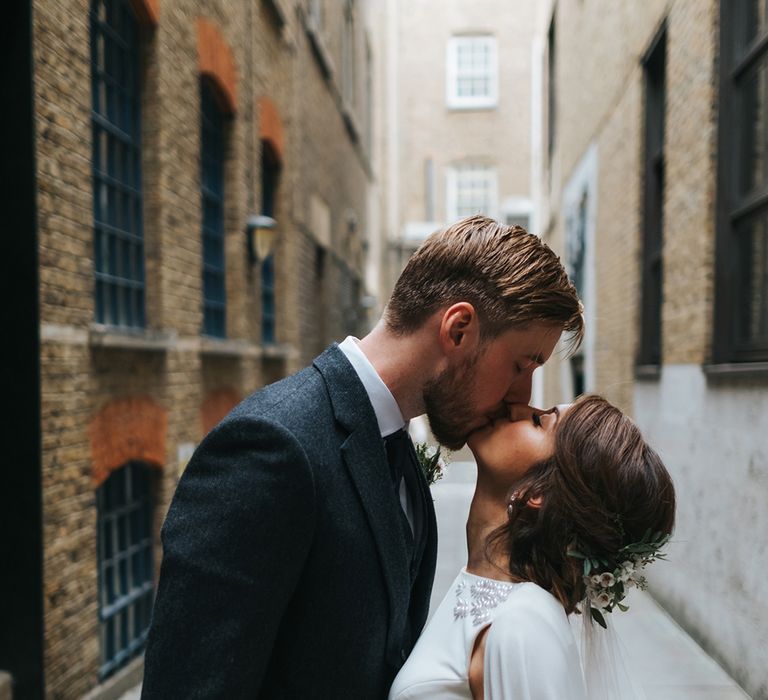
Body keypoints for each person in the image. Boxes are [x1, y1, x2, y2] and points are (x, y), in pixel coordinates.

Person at [140, 215, 584, 699]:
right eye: (522, 366)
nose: (523, 398)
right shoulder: (271, 446)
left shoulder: (399, 454)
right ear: (458, 329)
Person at [388, 395, 676, 700]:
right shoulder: (499, 601)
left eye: (539, 421)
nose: (517, 408)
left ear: (538, 493)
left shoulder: (523, 626)